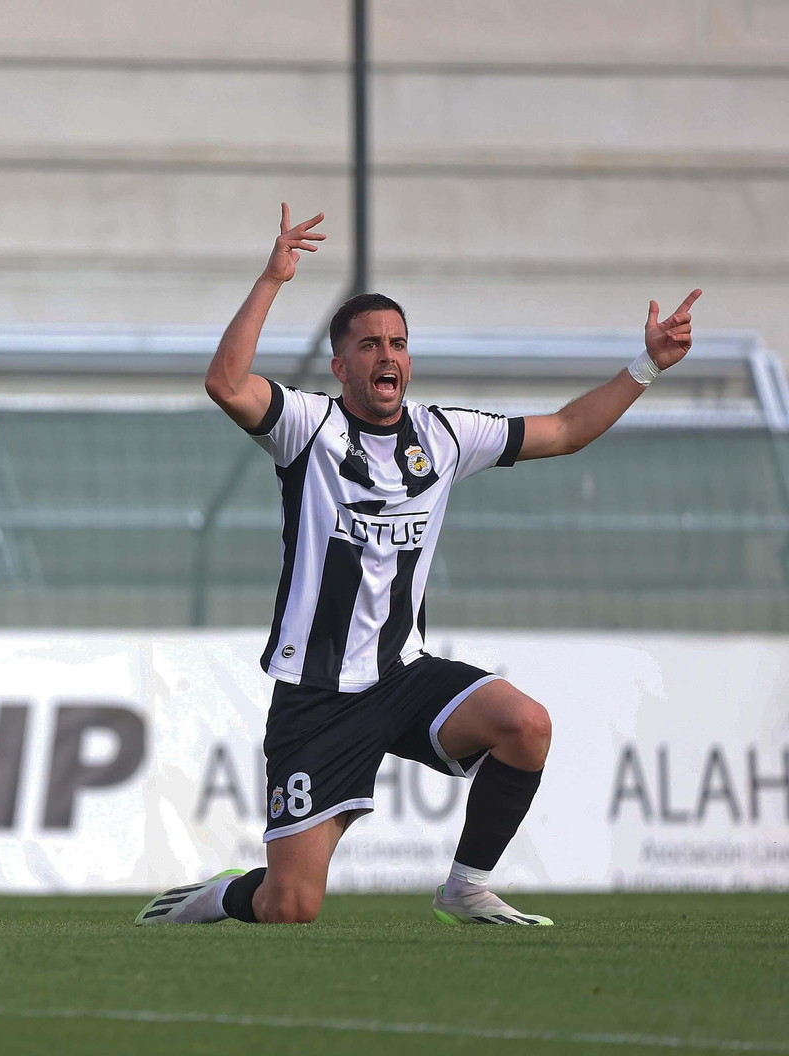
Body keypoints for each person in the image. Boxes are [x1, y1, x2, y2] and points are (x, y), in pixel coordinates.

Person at [137, 204, 700, 927]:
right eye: (369, 345)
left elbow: (565, 430)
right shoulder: (308, 428)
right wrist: (273, 278)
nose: (387, 356)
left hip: (402, 676)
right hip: (316, 697)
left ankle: (464, 886)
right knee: (292, 905)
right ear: (341, 367)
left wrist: (648, 364)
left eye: (397, 343)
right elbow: (225, 382)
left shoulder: (443, 436)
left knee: (525, 725)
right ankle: (217, 897)